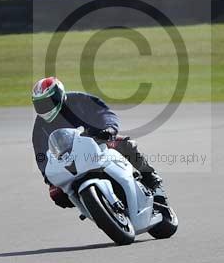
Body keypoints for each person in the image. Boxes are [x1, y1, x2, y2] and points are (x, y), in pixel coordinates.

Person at [31, 76, 165, 209]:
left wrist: (109, 129)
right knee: (57, 194)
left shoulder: (79, 100)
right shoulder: (39, 127)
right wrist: (49, 178)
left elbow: (104, 113)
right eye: (40, 104)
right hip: (69, 161)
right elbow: (41, 154)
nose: (45, 107)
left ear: (59, 95)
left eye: (49, 102)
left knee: (125, 144)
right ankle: (90, 205)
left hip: (97, 143)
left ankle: (151, 177)